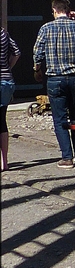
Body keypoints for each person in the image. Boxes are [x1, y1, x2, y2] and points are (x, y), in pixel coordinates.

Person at [32, 0, 75, 168]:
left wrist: (37, 69)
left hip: (55, 78)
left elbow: (38, 51)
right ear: (68, 10)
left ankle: (67, 157)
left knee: (59, 119)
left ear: (54, 10)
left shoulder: (46, 28)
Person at [0, 26, 19, 171]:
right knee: (2, 121)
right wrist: (9, 67)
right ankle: (4, 161)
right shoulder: (3, 33)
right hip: (6, 81)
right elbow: (17, 52)